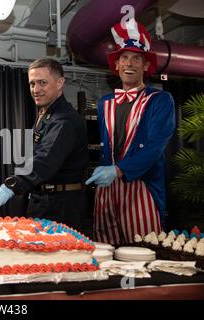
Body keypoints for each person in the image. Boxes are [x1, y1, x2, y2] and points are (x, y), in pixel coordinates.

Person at [85, 19, 176, 245]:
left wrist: (118, 170)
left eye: (137, 58)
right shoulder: (105, 102)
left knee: (142, 251)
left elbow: (155, 147)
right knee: (107, 249)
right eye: (124, 58)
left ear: (146, 66)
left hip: (141, 186)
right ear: (116, 65)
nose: (130, 63)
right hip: (107, 189)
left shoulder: (160, 100)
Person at [0, 58, 89, 231]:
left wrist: (9, 187)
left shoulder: (64, 119)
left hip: (61, 206)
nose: (36, 90)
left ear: (60, 83)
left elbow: (44, 161)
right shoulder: (46, 112)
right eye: (32, 84)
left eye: (42, 83)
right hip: (44, 200)